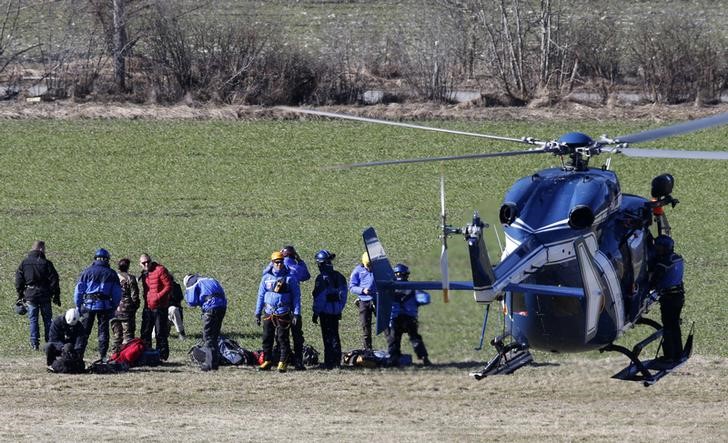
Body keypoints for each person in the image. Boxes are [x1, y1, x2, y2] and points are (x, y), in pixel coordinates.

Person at [262, 245, 311, 370]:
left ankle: (280, 359)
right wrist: (299, 260)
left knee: (278, 336)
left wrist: (273, 261)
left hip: (276, 309)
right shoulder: (295, 267)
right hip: (293, 307)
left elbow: (265, 273)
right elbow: (306, 275)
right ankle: (298, 362)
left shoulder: (277, 266)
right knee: (296, 336)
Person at [255, 251, 301, 372]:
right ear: (272, 263)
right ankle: (267, 360)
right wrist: (257, 312)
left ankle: (282, 362)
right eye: (276, 262)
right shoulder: (266, 278)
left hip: (283, 312)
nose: (279, 265)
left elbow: (296, 296)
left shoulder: (290, 278)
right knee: (267, 338)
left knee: (282, 338)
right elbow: (260, 295)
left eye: (281, 262)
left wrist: (296, 313)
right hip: (269, 312)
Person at [73, 248, 122, 360]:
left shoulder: (86, 272)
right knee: (103, 332)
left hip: (87, 305)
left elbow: (78, 290)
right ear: (107, 260)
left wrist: (78, 305)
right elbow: (117, 294)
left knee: (83, 332)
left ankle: (78, 355)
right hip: (104, 306)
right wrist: (113, 306)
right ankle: (103, 356)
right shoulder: (112, 274)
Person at [15, 240, 61, 350]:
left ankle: (34, 343)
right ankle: (50, 342)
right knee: (47, 319)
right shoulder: (46, 263)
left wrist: (20, 294)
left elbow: (18, 280)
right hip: (45, 295)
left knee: (33, 320)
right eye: (44, 249)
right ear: (41, 249)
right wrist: (55, 294)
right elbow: (54, 279)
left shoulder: (24, 263)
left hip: (30, 295)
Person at [385, 264, 431, 367]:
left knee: (394, 339)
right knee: (415, 338)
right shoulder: (413, 288)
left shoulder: (389, 288)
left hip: (395, 319)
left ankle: (393, 358)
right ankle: (424, 358)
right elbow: (425, 299)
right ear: (406, 275)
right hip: (410, 318)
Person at [649, 235, 685, 363]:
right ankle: (678, 353)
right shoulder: (678, 258)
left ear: (664, 248)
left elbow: (653, 283)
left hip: (668, 299)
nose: (657, 250)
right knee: (675, 325)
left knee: (668, 326)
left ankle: (670, 356)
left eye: (658, 248)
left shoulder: (663, 264)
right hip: (679, 297)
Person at [311, 250, 347, 369]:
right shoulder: (339, 276)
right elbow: (344, 296)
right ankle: (337, 361)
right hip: (336, 312)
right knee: (335, 336)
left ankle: (329, 362)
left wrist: (316, 312)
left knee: (327, 337)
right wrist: (338, 308)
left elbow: (320, 298)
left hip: (325, 313)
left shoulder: (321, 279)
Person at [183, 274, 227, 371]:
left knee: (208, 337)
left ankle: (209, 364)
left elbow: (191, 302)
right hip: (222, 307)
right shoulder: (209, 279)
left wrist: (187, 293)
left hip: (210, 308)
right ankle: (214, 363)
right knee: (214, 336)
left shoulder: (191, 282)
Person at [138, 253, 173, 361]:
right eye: (144, 263)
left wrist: (157, 296)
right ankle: (146, 354)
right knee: (145, 332)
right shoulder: (144, 274)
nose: (146, 264)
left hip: (160, 307)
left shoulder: (160, 270)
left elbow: (168, 286)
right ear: (140, 264)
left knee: (160, 333)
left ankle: (162, 356)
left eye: (148, 261)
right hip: (148, 307)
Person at [110, 258, 140, 355]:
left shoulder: (113, 278)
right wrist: (135, 307)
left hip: (114, 310)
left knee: (117, 336)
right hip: (127, 311)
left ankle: (114, 355)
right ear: (128, 267)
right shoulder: (130, 278)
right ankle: (128, 356)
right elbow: (135, 295)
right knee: (128, 336)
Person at [349, 252, 377, 350]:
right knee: (365, 326)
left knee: (385, 324)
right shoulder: (357, 271)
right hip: (363, 301)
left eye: (371, 265)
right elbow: (352, 287)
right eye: (368, 266)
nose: (370, 268)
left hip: (377, 300)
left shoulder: (379, 269)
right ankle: (368, 349)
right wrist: (362, 290)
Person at [168, 275, 187, 340]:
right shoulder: (156, 286)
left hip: (171, 312)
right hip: (160, 315)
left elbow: (177, 300)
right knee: (154, 336)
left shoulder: (175, 287)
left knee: (173, 309)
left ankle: (181, 332)